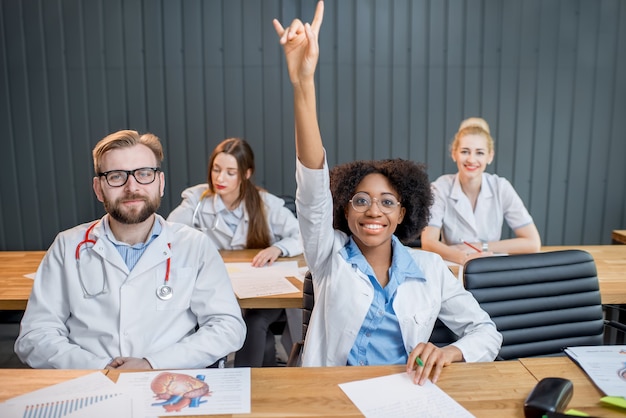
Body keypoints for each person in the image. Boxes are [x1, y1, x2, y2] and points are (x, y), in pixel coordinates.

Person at [273, 1, 502, 385]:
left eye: (387, 202)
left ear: (402, 213)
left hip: (402, 397)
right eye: (360, 200)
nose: (372, 210)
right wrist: (302, 83)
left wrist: (447, 351)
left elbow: (487, 333)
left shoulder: (431, 270)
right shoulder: (328, 256)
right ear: (344, 212)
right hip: (333, 395)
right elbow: (312, 184)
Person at [15, 130, 246, 369]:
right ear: (98, 188)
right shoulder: (67, 246)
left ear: (161, 183)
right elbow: (35, 335)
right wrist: (101, 368)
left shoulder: (194, 245)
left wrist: (151, 364)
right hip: (89, 383)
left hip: (172, 384)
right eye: (116, 176)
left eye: (144, 174)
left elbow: (227, 327)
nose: (131, 187)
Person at [167, 137, 303, 367]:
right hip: (220, 290)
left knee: (255, 321)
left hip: (261, 291)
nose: (220, 178)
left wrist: (277, 247)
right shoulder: (196, 200)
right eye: (216, 169)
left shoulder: (265, 203)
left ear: (246, 173)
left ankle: (240, 382)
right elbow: (170, 234)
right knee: (246, 331)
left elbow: (302, 235)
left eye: (230, 172)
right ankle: (249, 382)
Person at [421, 117, 542, 265]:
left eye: (479, 153)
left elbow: (532, 243)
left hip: (490, 267)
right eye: (465, 151)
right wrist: (465, 258)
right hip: (453, 266)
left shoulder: (501, 187)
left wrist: (482, 247)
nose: (472, 159)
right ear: (454, 154)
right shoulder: (440, 188)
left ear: (490, 156)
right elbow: (428, 243)